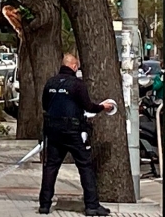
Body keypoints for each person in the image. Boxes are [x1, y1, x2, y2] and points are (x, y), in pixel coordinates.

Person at [39, 54, 114, 216]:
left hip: (52, 130)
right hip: (72, 130)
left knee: (51, 166)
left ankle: (44, 205)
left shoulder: (50, 83)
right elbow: (88, 106)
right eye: (77, 66)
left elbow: (45, 104)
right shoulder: (77, 85)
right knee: (85, 166)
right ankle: (92, 206)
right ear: (73, 66)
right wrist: (103, 107)